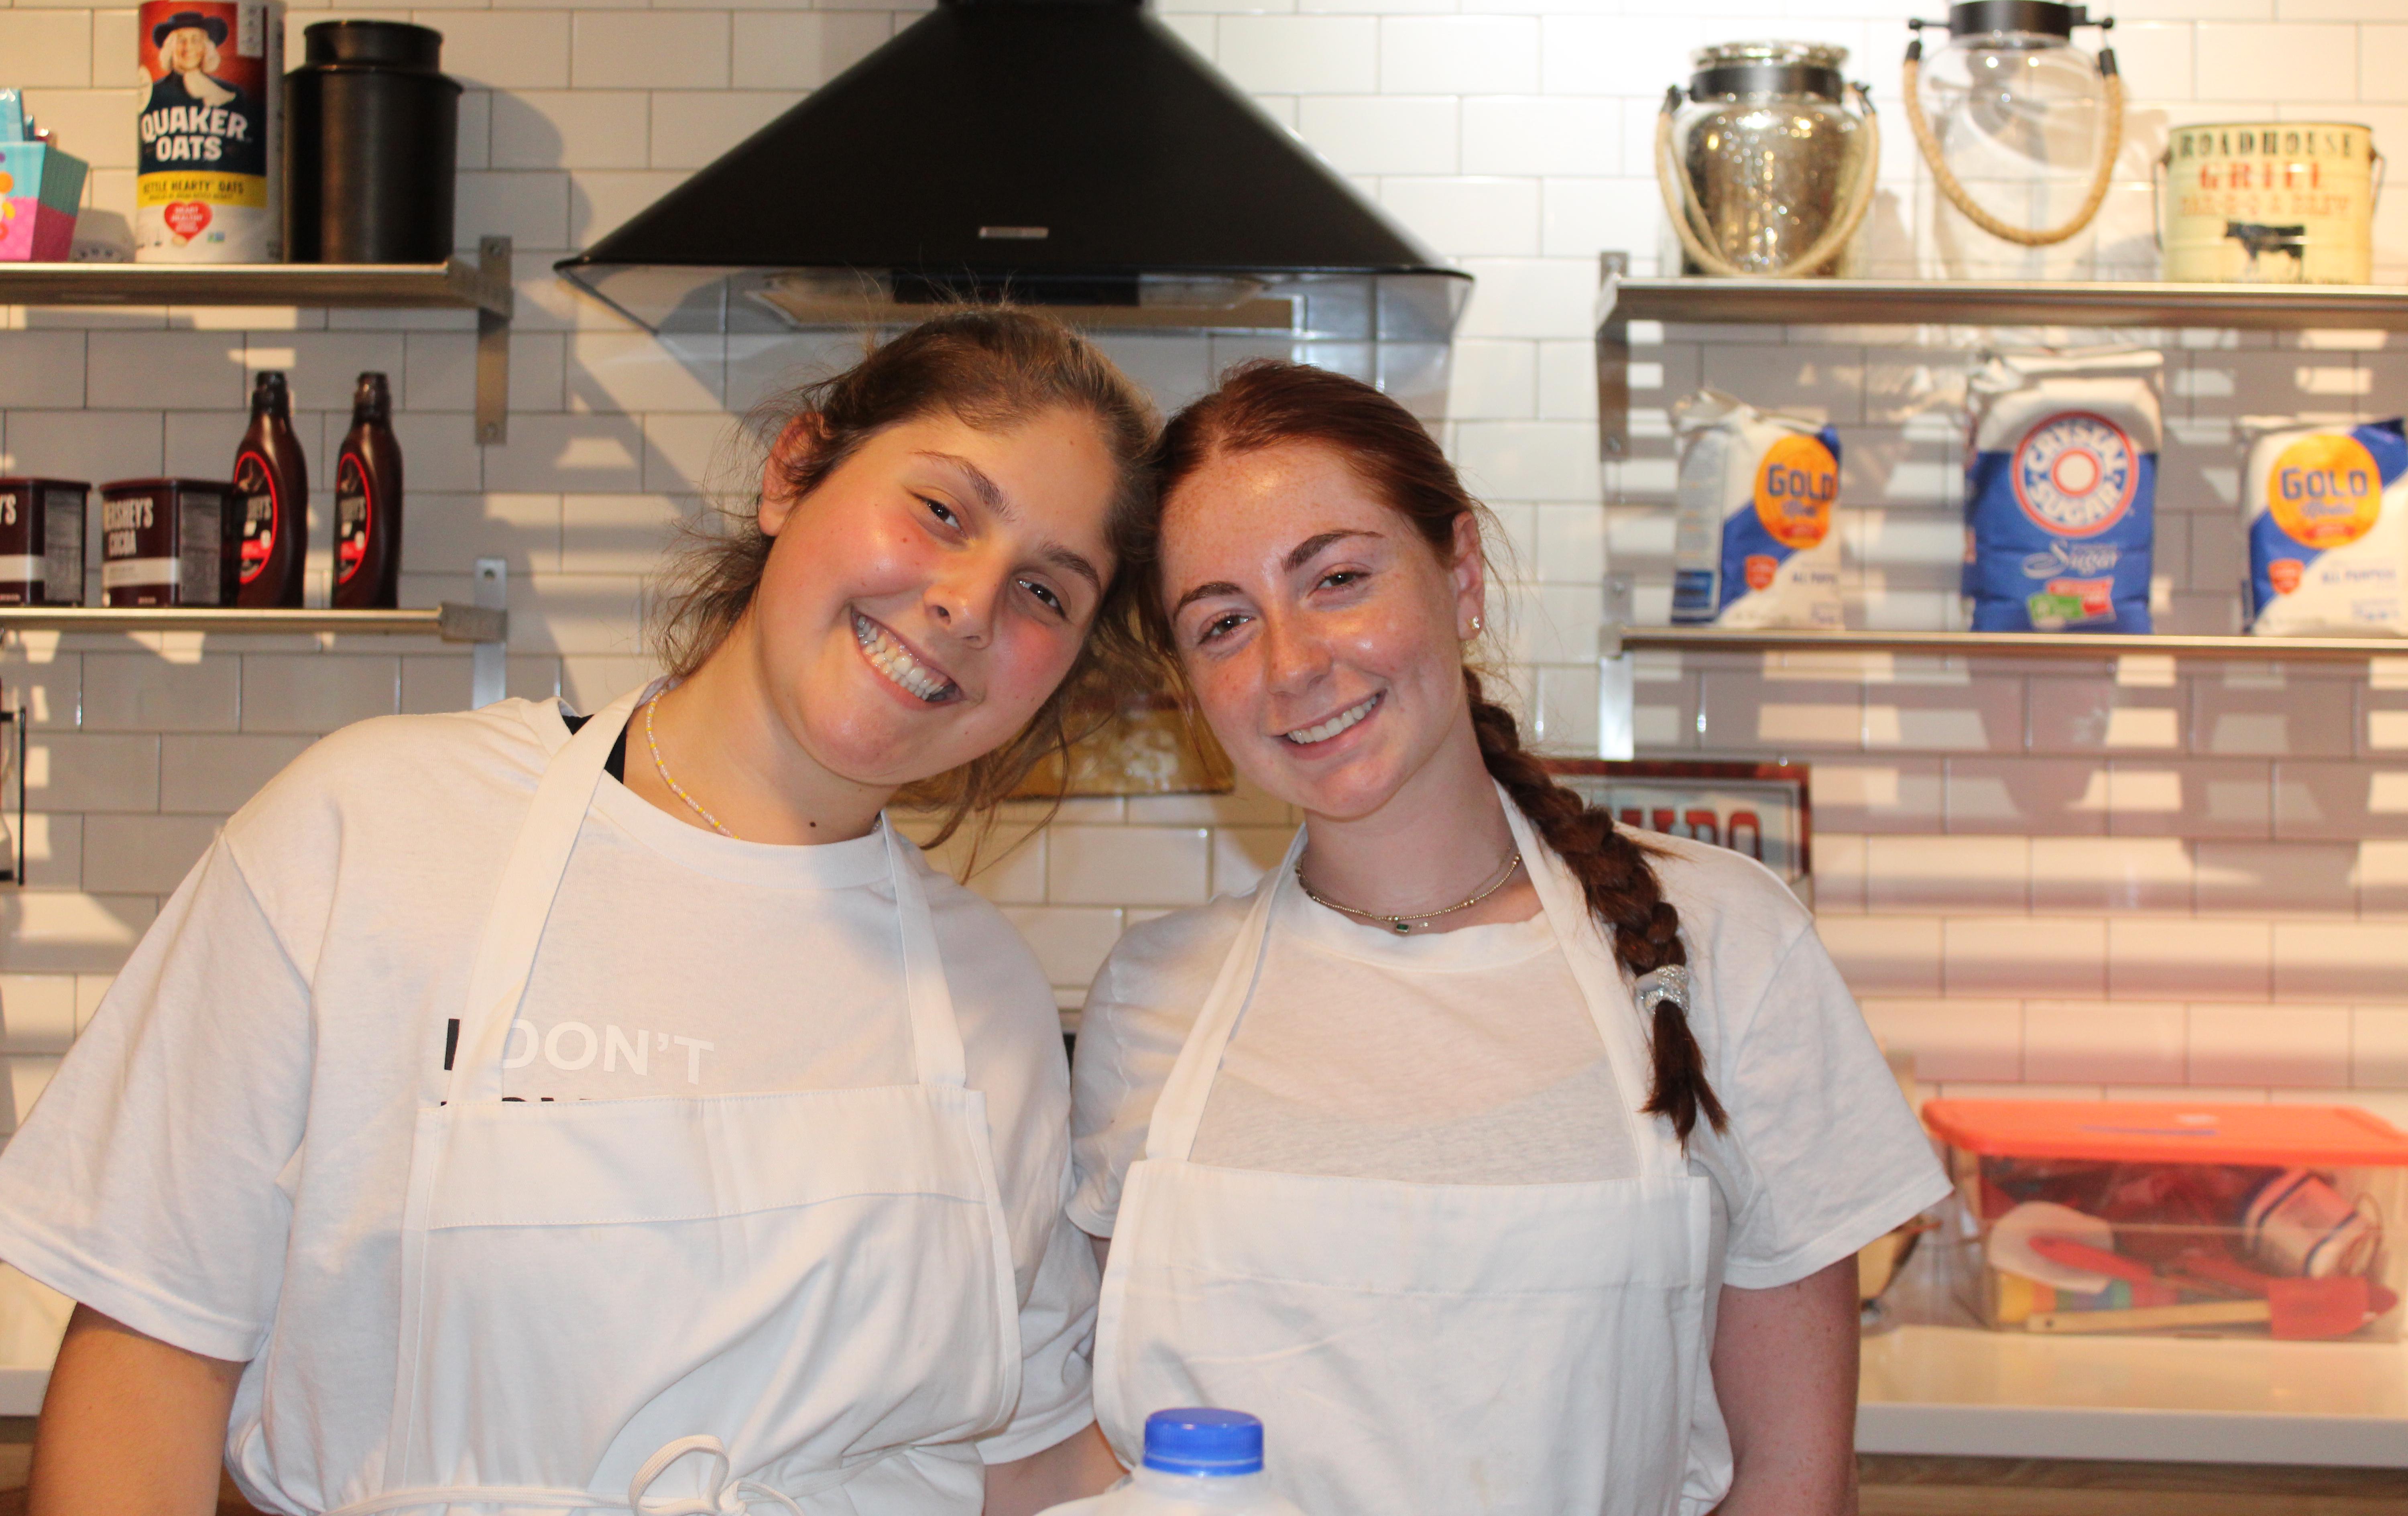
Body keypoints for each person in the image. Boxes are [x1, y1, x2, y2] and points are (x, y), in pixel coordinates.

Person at [0, 310, 1149, 1516]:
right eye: (943, 511)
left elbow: (1016, 1463)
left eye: (1045, 591)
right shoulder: (371, 834)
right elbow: (148, 1370)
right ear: (794, 472)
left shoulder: (989, 1001)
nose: (970, 603)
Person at [1070, 362, 1950, 1516]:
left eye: (1338, 579)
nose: (1291, 665)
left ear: (1462, 574)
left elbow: (1793, 1477)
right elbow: (1106, 1453)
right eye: (1224, 623)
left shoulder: (1722, 947)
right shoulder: (1151, 1002)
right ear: (1191, 687)